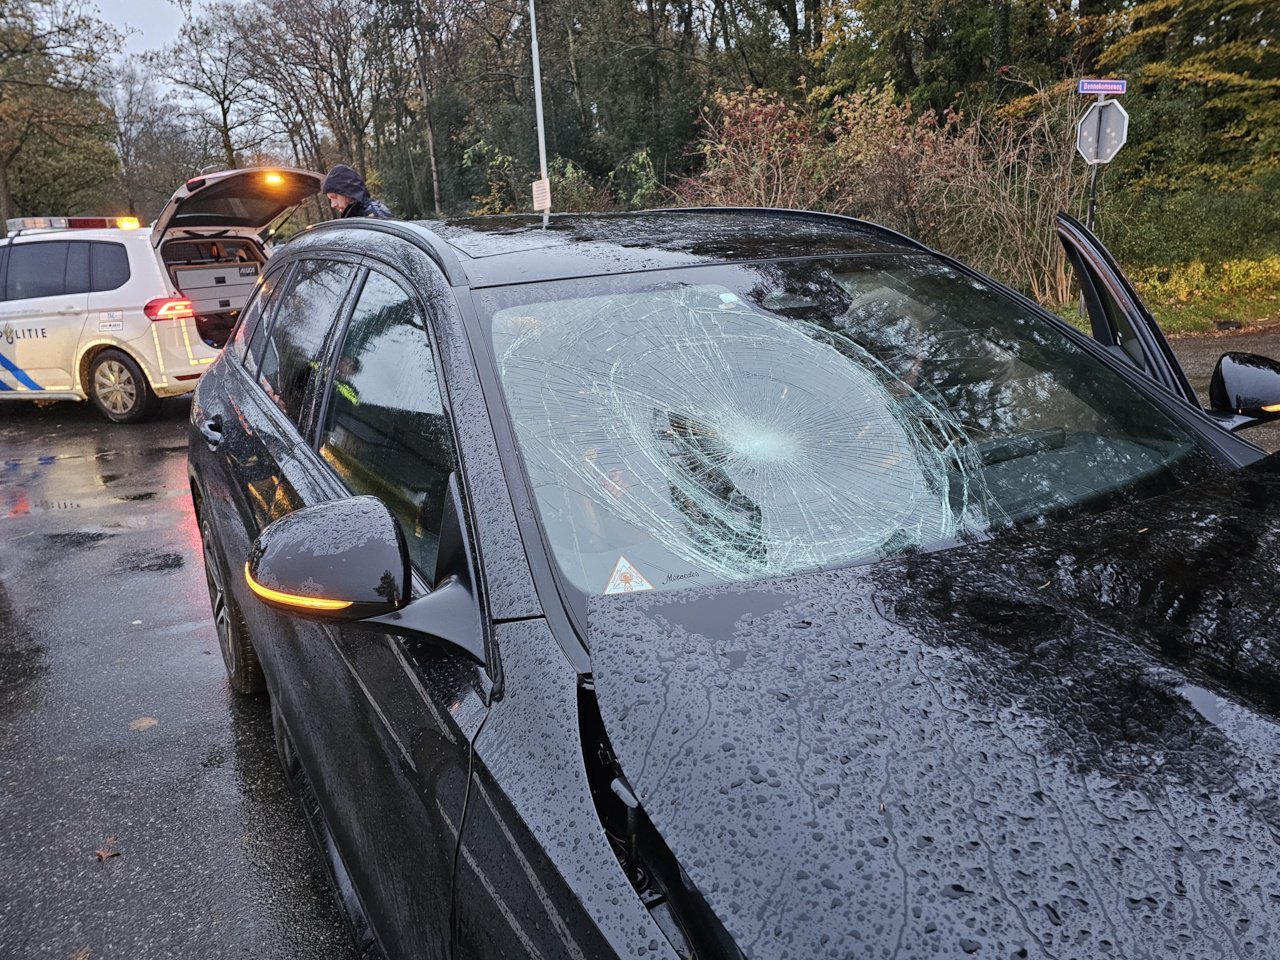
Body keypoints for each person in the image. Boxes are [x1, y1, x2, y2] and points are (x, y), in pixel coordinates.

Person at [321, 164, 393, 219]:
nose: (333, 205)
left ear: (347, 192)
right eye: (330, 199)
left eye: (334, 197)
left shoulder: (373, 216)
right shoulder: (356, 216)